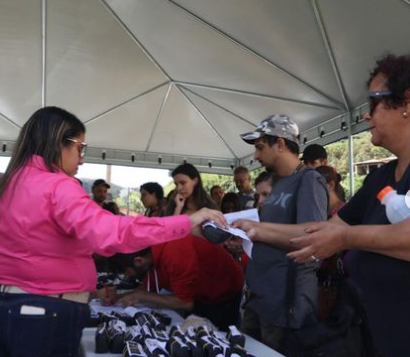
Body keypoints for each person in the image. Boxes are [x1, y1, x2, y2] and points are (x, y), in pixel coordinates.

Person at [0, 106, 226, 357]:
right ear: (58, 142)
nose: (82, 158)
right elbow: (109, 232)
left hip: (18, 306)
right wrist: (185, 221)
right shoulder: (56, 185)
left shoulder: (13, 183)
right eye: (80, 147)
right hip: (45, 311)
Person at [242, 54, 410, 357]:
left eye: (374, 103)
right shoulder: (381, 177)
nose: (365, 116)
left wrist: (347, 238)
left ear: (407, 103)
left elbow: (341, 235)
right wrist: (255, 228)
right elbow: (322, 230)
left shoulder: (311, 181)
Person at [235, 114, 328, 351]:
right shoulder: (277, 184)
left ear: (280, 144)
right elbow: (272, 231)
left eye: (260, 147)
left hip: (285, 301)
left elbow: (312, 238)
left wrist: (258, 232)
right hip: (259, 296)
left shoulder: (309, 180)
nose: (256, 155)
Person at [106, 235, 244, 331]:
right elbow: (147, 288)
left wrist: (142, 296)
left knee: (215, 339)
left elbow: (185, 303)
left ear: (138, 261)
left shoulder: (175, 254)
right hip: (201, 291)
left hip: (224, 292)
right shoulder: (152, 255)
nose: (126, 276)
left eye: (127, 272)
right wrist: (119, 297)